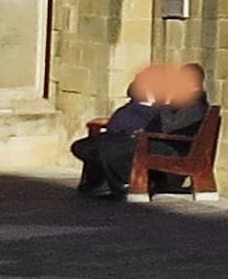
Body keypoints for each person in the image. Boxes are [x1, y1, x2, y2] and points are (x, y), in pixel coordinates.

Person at [72, 62, 206, 200]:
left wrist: (166, 103)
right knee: (89, 145)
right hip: (150, 139)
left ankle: (125, 184)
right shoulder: (184, 101)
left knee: (109, 148)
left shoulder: (196, 106)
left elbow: (168, 126)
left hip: (170, 148)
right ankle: (100, 183)